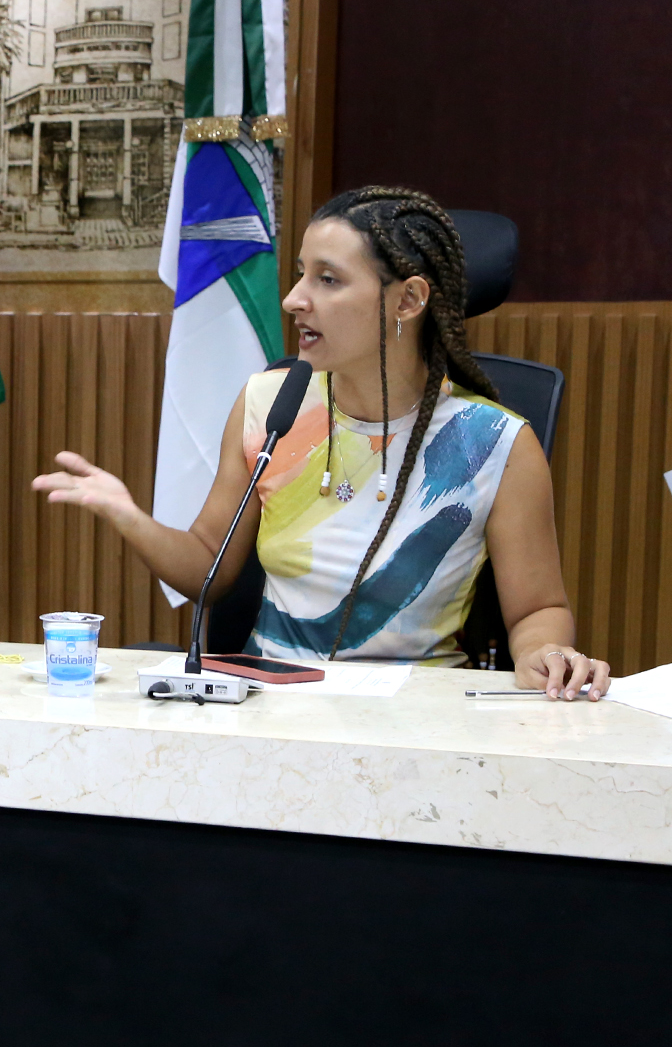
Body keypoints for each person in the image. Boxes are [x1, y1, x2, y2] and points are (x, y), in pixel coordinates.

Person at [32, 185, 610, 700]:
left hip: (418, 713)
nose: (293, 298)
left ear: (408, 300)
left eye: (327, 279)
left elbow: (538, 609)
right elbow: (209, 564)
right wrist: (130, 516)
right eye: (301, 273)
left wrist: (546, 653)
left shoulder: (495, 443)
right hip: (270, 703)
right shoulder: (270, 405)